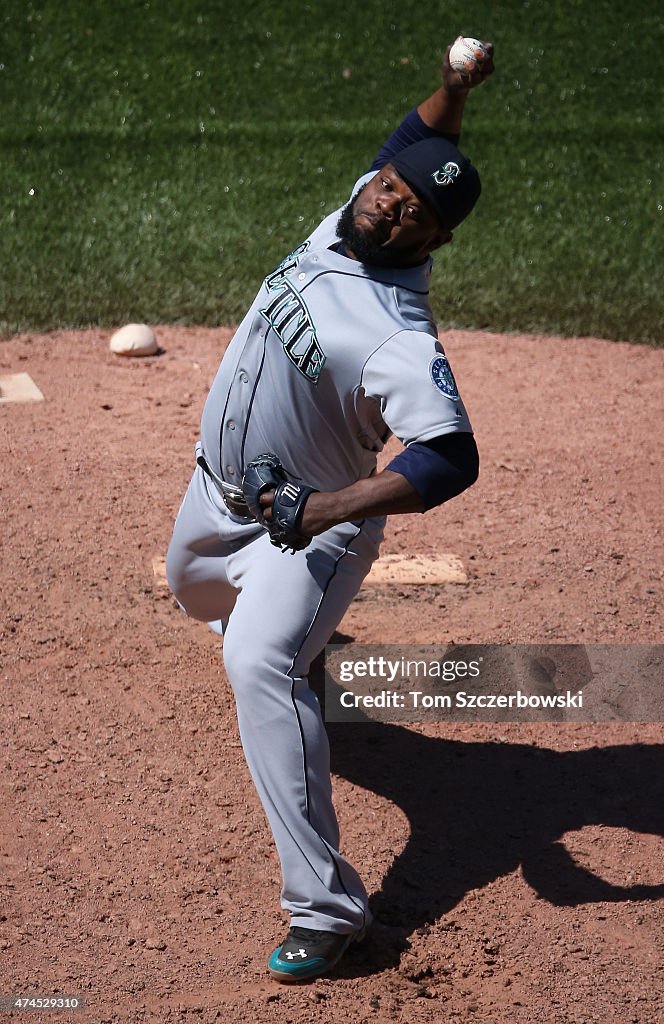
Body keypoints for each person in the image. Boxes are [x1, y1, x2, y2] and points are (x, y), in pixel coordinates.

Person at [166, 36, 495, 983]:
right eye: (389, 185)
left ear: (432, 241)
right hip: (212, 499)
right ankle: (303, 635)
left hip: (303, 529)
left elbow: (450, 457)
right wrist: (452, 88)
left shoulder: (396, 334)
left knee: (258, 661)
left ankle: (328, 910)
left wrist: (327, 511)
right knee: (196, 596)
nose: (388, 202)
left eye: (412, 210)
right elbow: (413, 139)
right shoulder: (348, 214)